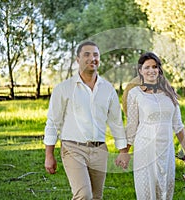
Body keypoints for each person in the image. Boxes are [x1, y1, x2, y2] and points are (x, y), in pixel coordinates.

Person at [43, 41, 130, 200]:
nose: (92, 58)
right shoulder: (64, 88)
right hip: (73, 148)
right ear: (78, 59)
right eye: (87, 54)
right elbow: (52, 123)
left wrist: (123, 151)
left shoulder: (108, 89)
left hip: (99, 150)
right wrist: (49, 154)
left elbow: (116, 122)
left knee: (96, 197)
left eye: (95, 55)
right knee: (83, 195)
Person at [124, 52, 185, 200]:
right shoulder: (135, 93)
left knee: (166, 189)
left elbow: (178, 125)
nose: (151, 70)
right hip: (145, 149)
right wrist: (125, 152)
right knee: (147, 190)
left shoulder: (169, 93)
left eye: (154, 67)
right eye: (147, 67)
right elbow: (131, 126)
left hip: (166, 149)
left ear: (159, 70)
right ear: (140, 71)